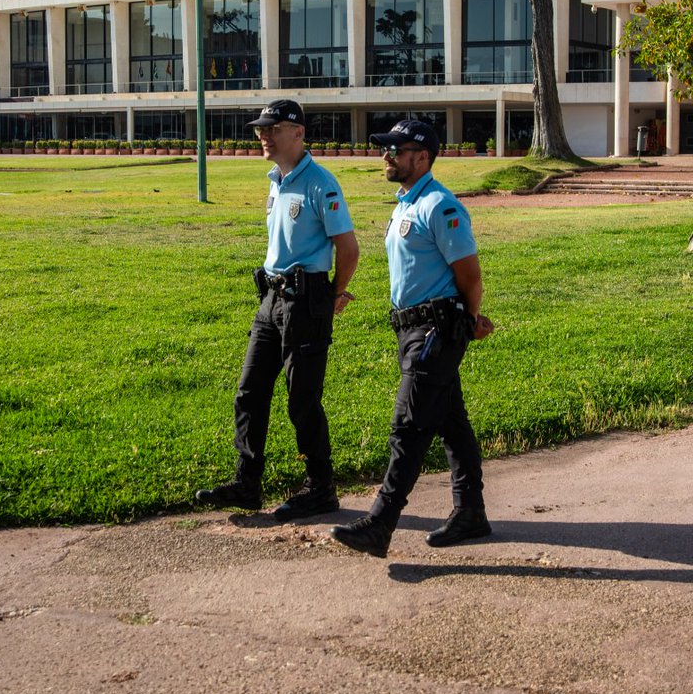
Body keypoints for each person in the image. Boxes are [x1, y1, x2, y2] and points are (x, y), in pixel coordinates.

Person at [332, 120, 494, 558]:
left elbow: (470, 276)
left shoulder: (440, 206)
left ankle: (380, 524)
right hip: (411, 328)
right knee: (450, 423)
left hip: (436, 330)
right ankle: (471, 513)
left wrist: (471, 320)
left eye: (395, 150)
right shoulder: (406, 203)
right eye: (385, 149)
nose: (386, 156)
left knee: (409, 425)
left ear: (421, 157)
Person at [196, 99, 359, 521]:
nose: (263, 136)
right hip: (270, 299)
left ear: (298, 133)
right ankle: (247, 484)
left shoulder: (320, 183)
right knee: (249, 392)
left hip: (306, 301)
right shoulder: (276, 181)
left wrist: (332, 294)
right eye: (260, 129)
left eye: (272, 128)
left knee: (302, 399)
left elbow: (349, 249)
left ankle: (321, 488)